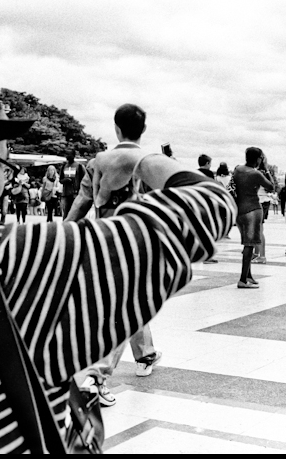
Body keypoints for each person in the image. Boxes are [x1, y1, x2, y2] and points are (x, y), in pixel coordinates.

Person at [0, 49, 235, 453]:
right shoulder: (9, 271)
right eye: (3, 163)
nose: (3, 182)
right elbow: (207, 206)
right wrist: (140, 158)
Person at [77, 103, 166, 405]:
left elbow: (83, 200)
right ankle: (97, 378)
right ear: (143, 130)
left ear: (116, 128)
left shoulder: (98, 161)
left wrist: (65, 231)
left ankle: (145, 353)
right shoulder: (148, 163)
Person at [233, 147, 276, 288]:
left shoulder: (238, 169)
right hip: (252, 210)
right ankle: (242, 280)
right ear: (258, 159)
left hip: (239, 210)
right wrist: (267, 169)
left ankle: (248, 275)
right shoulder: (255, 174)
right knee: (249, 245)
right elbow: (271, 187)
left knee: (247, 243)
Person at [59, 149, 86, 219]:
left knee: (75, 212)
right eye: (66, 154)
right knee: (66, 213)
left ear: (73, 156)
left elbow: (84, 179)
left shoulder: (79, 166)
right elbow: (60, 180)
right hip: (66, 193)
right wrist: (65, 180)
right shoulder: (64, 166)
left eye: (69, 154)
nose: (67, 156)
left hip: (76, 193)